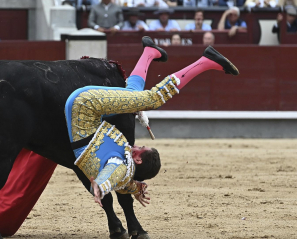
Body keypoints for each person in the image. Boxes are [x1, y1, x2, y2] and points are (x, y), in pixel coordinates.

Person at [65, 36, 239, 206]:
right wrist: (135, 190)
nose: (137, 146)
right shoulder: (126, 177)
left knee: (153, 99)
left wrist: (100, 186)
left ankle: (205, 62)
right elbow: (124, 184)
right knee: (133, 92)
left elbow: (112, 174)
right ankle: (149, 52)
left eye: (141, 148)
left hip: (86, 106)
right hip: (85, 114)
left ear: (138, 159)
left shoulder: (120, 166)